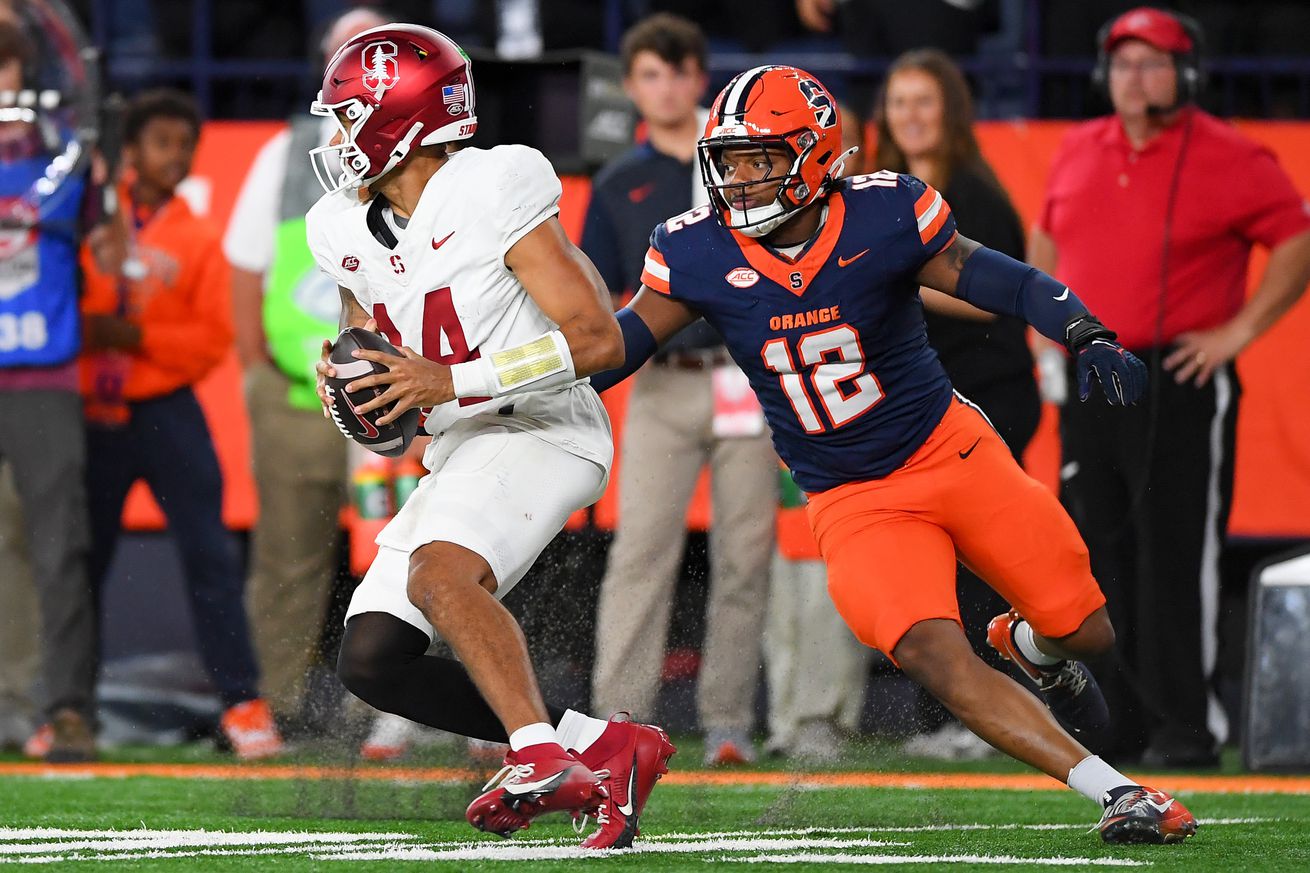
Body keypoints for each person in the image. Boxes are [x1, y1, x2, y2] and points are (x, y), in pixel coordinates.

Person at [589, 63, 1197, 845]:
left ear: (812, 155)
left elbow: (992, 277)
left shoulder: (885, 213)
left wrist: (1083, 328)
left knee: (1088, 630)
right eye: (730, 162)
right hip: (851, 496)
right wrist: (497, 387)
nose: (739, 181)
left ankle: (1035, 647)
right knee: (930, 650)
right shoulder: (696, 250)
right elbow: (621, 345)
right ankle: (1119, 791)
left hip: (949, 450)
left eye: (760, 160)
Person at [306, 24, 674, 849]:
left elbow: (599, 339)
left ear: (397, 117)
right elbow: (372, 351)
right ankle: (603, 747)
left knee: (442, 574)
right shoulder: (340, 226)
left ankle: (539, 756)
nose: (335, 135)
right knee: (372, 656)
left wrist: (450, 381)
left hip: (545, 426)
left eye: (349, 114)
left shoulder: (494, 184)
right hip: (460, 445)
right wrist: (359, 390)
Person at [1029, 7, 1310, 767]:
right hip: (1093, 372)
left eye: (1152, 63)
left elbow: (1297, 237)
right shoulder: (1081, 145)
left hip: (1176, 381)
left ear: (1186, 75)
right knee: (1095, 553)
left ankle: (1189, 727)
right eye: (1122, 64)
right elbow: (1047, 236)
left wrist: (1239, 332)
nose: (1133, 78)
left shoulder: (1230, 154)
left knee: (1177, 556)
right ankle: (1119, 727)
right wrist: (1043, 319)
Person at [583, 13, 777, 767]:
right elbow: (599, 294)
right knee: (642, 551)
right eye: (650, 74)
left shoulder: (740, 164)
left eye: (678, 72)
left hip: (744, 376)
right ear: (631, 87)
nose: (666, 87)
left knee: (746, 552)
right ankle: (618, 717)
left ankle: (727, 720)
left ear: (701, 79)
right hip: (664, 381)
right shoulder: (619, 181)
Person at [78, 89, 284, 760]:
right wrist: (93, 330)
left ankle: (242, 703)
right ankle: (69, 705)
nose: (177, 155)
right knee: (80, 564)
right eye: (162, 142)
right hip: (96, 412)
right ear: (130, 152)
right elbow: (60, 309)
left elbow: (210, 339)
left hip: (168, 409)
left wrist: (135, 336)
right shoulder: (88, 225)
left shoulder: (196, 237)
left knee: (210, 557)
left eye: (185, 144)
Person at [225, 5, 388, 738]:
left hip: (393, 401)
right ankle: (277, 705)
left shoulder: (423, 156)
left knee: (398, 554)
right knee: (288, 559)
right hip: (296, 396)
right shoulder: (287, 152)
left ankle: (390, 712)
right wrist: (260, 370)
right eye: (343, 50)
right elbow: (244, 266)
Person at [874, 49, 1041, 761]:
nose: (910, 115)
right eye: (899, 101)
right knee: (922, 557)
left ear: (952, 111)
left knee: (979, 556)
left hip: (986, 393)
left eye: (924, 100)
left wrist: (891, 282)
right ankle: (940, 714)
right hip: (922, 401)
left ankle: (988, 712)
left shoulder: (976, 190)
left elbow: (996, 303)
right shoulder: (880, 194)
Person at [0, 16, 110, 763]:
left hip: (43, 372)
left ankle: (65, 707)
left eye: (5, 65)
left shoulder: (70, 160)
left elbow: (107, 240)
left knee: (60, 544)